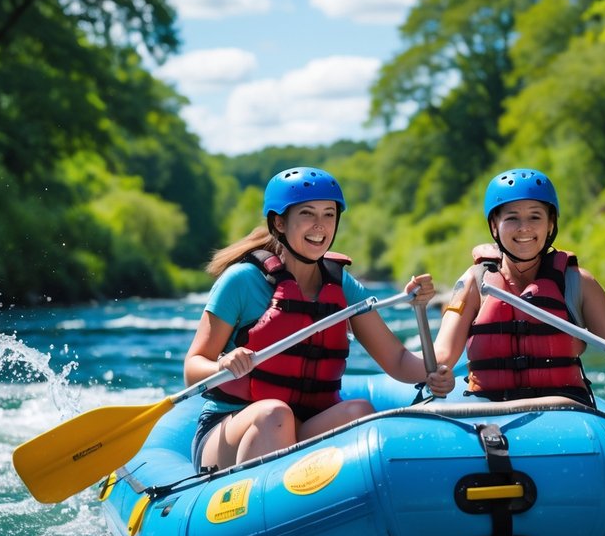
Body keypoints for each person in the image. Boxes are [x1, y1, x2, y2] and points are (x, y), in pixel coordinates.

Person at [185, 167, 454, 471]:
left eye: (329, 214)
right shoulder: (242, 281)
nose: (320, 225)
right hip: (232, 429)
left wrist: (433, 372)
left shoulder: (341, 286)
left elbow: (399, 360)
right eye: (307, 214)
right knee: (275, 414)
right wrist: (222, 364)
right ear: (280, 222)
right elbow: (193, 368)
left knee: (359, 411)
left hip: (302, 428)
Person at [433, 168, 605, 406]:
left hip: (564, 408)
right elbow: (441, 357)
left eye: (535, 217)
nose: (524, 228)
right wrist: (436, 373)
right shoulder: (474, 282)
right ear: (494, 226)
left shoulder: (579, 284)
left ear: (550, 224)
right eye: (512, 217)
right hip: (488, 411)